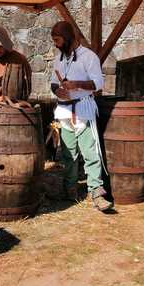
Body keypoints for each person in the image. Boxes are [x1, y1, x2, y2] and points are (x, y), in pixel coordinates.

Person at [50, 20, 113, 212]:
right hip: (64, 111)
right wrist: (58, 91)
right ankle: (70, 190)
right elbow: (53, 83)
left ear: (67, 38)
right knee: (68, 154)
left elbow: (98, 84)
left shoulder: (89, 57)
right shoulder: (58, 58)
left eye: (58, 40)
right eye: (54, 40)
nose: (56, 44)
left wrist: (77, 84)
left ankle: (96, 192)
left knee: (90, 153)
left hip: (83, 111)